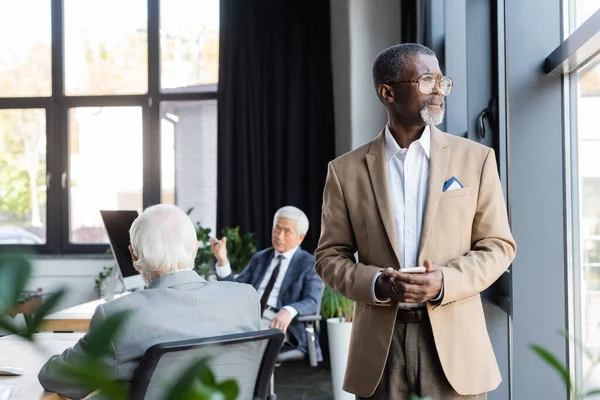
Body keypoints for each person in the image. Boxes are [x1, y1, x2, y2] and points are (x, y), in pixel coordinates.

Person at [314, 43, 517, 400]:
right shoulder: (344, 171)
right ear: (388, 92)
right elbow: (329, 256)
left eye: (441, 81)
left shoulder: (477, 159)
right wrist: (378, 283)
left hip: (455, 350)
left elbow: (498, 246)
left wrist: (443, 282)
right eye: (426, 80)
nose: (438, 89)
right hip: (380, 351)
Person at [38, 204, 262, 399]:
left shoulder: (119, 317)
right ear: (195, 250)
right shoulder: (246, 298)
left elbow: (57, 378)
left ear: (133, 255)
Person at [211, 206, 325, 359]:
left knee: (240, 346)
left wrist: (288, 311)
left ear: (301, 237)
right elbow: (235, 289)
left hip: (279, 324)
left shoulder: (309, 264)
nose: (279, 235)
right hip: (249, 318)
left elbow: (312, 301)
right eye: (277, 229)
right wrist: (222, 260)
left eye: (287, 231)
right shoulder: (261, 258)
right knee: (213, 335)